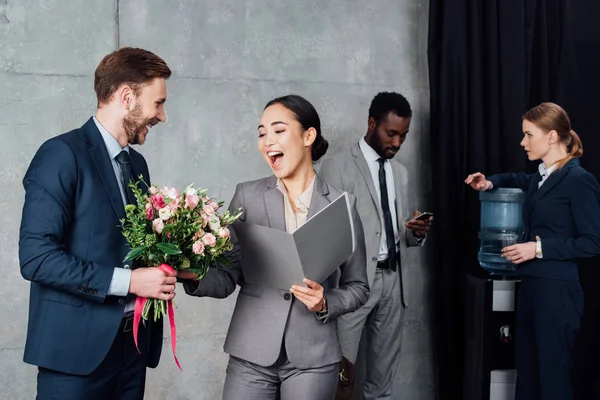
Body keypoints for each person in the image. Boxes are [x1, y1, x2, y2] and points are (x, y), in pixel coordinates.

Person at [179, 94, 369, 400]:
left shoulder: (342, 206)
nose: (268, 140)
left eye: (278, 130)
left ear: (308, 136)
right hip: (250, 351)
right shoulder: (247, 196)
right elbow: (228, 275)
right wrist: (191, 274)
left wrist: (325, 303)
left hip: (314, 359)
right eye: (262, 133)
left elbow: (359, 286)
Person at [18, 47, 176, 400]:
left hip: (132, 350)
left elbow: (130, 249)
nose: (162, 116)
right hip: (75, 357)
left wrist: (181, 265)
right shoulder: (60, 154)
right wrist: (131, 281)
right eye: (158, 103)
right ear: (125, 96)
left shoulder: (138, 166)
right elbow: (36, 257)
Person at [465, 102, 600, 400]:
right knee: (527, 380)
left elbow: (593, 241)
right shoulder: (543, 177)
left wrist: (537, 248)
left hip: (558, 294)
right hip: (533, 290)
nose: (522, 142)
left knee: (552, 382)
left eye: (528, 135)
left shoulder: (579, 181)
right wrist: (490, 182)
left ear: (551, 136)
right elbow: (519, 179)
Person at [319, 91, 432, 399]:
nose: (397, 143)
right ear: (372, 123)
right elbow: (327, 235)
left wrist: (416, 231)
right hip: (352, 284)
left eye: (404, 136)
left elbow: (399, 234)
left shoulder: (401, 173)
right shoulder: (337, 167)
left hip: (394, 282)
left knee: (382, 383)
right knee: (340, 377)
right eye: (391, 133)